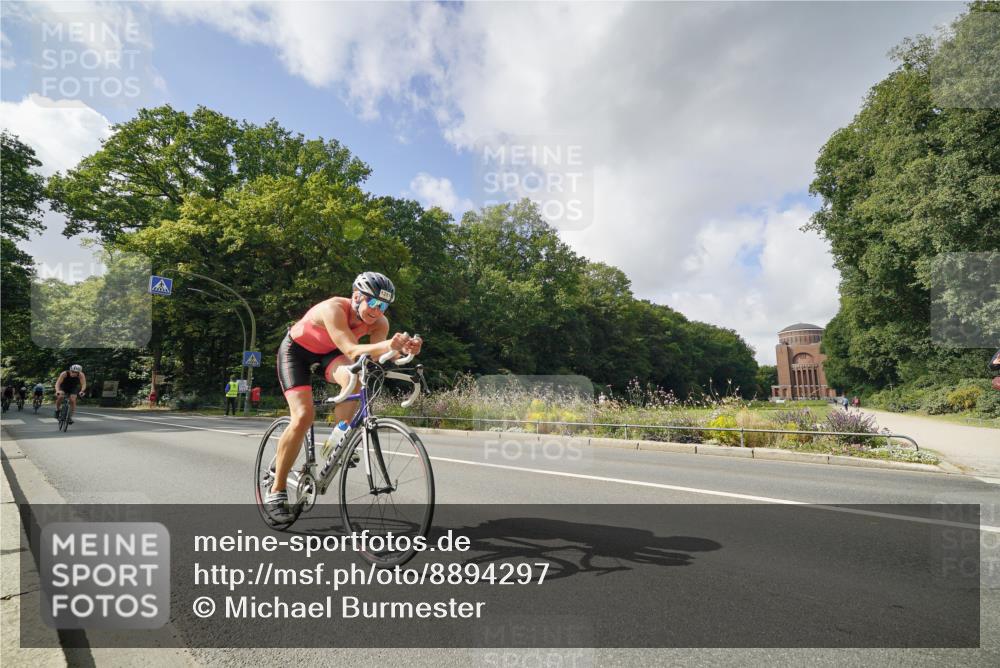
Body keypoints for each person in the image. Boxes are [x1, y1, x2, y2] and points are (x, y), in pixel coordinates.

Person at [266, 272, 422, 520]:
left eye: (382, 306)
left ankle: (337, 440)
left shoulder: (380, 323)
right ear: (357, 296)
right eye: (372, 302)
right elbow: (351, 348)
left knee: (355, 378)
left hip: (328, 353)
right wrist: (390, 346)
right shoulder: (333, 308)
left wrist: (402, 350)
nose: (376, 310)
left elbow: (374, 356)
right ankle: (277, 489)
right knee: (304, 416)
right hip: (296, 353)